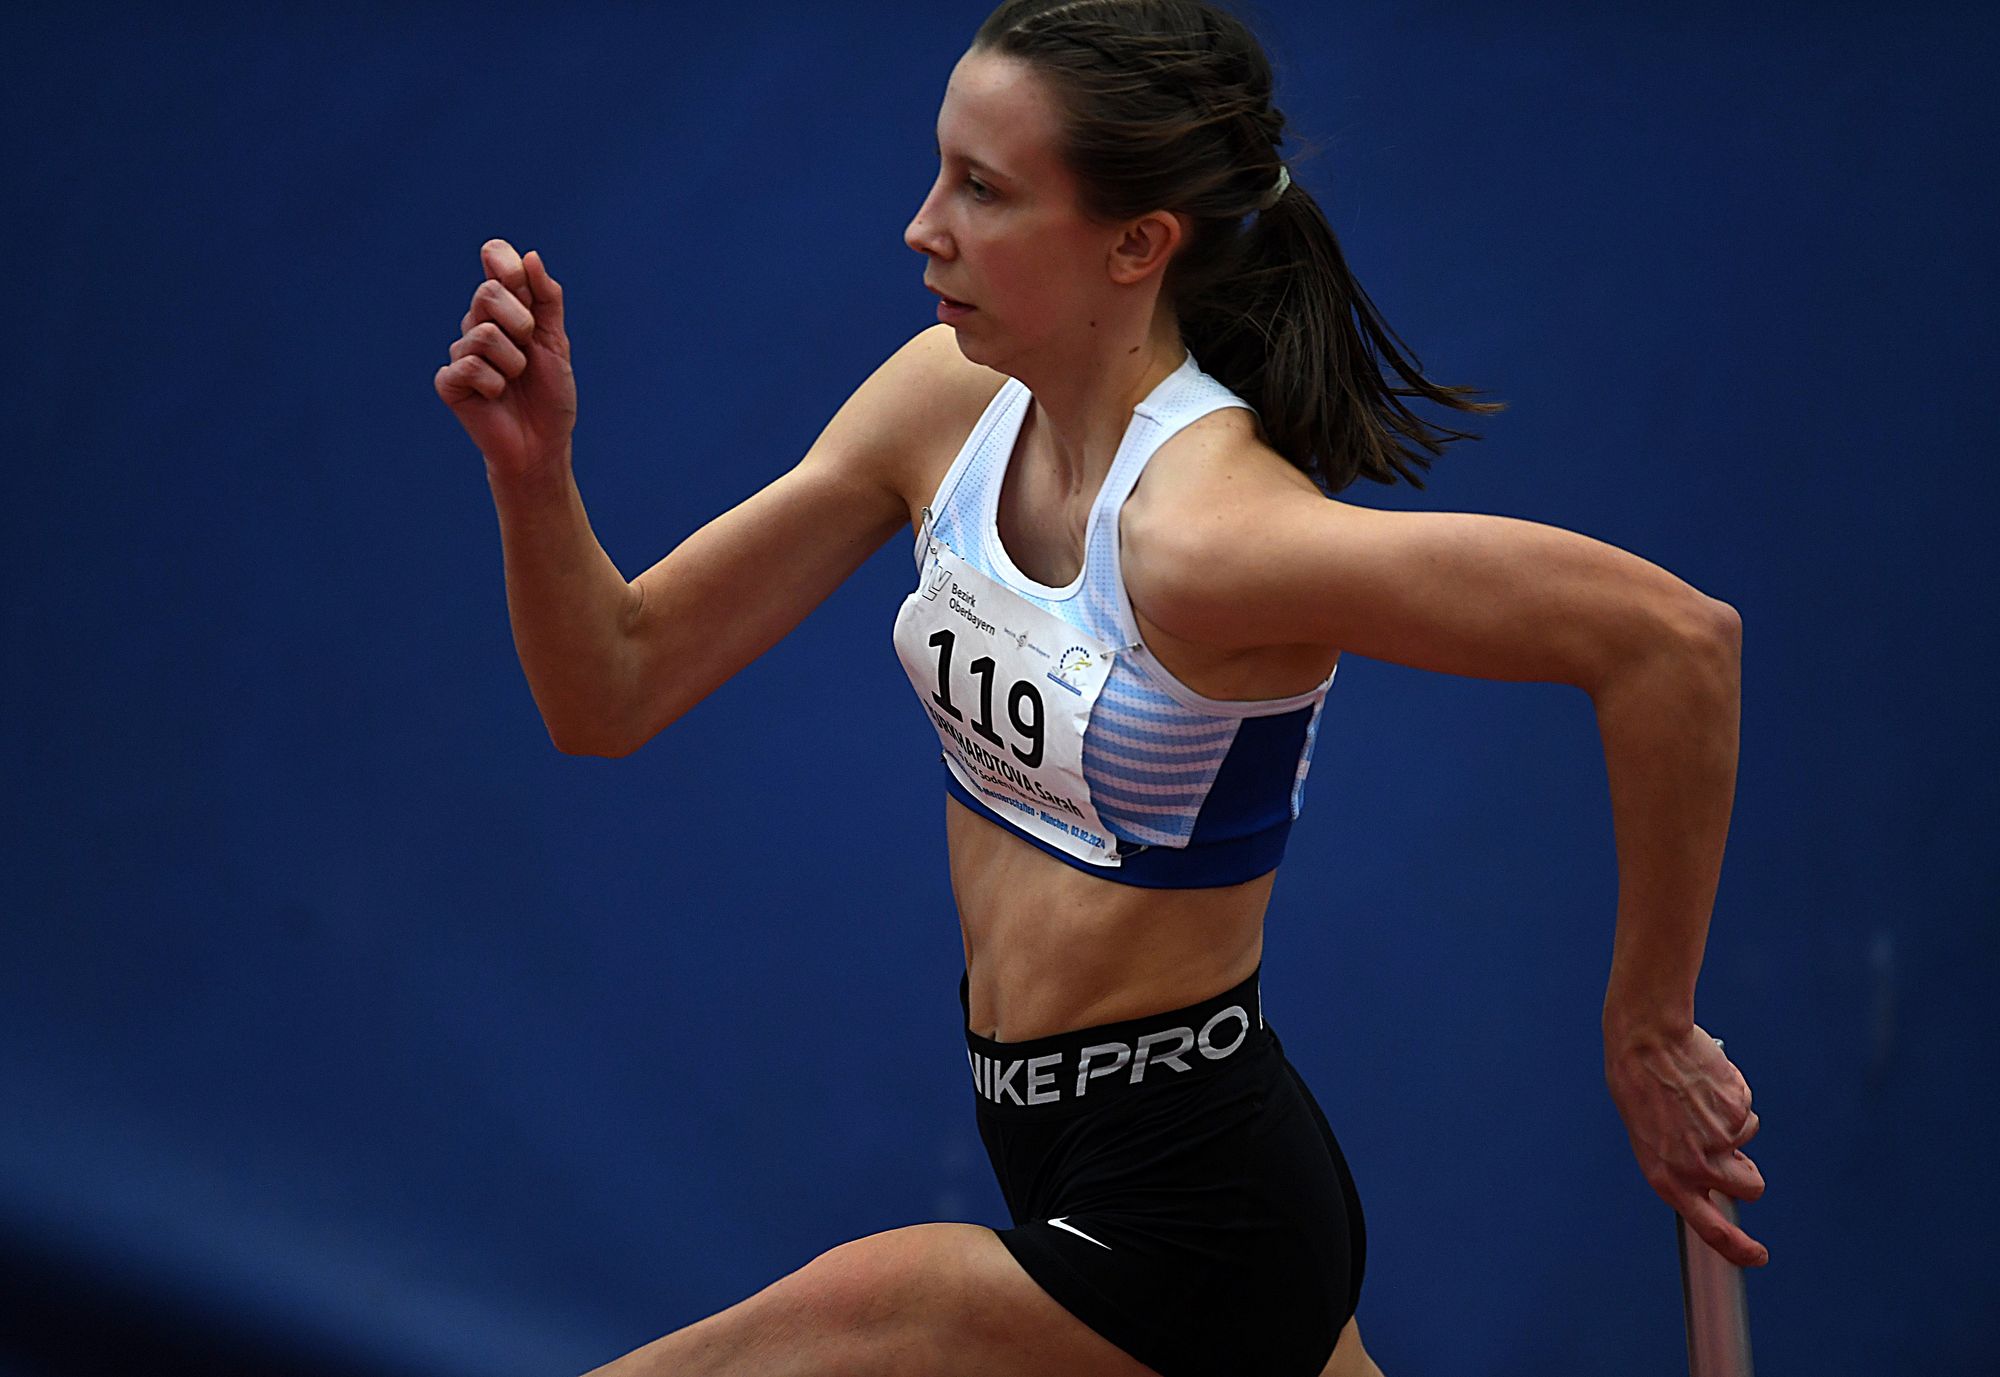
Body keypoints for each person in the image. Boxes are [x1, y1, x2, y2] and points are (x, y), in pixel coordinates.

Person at [434, 2, 1767, 1373]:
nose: (923, 227)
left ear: (1137, 244)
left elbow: (1672, 641)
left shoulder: (1211, 536)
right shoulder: (943, 408)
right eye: (940, 170)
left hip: (1204, 1210)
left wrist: (1649, 1025)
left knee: (868, 1312)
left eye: (984, 189)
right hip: (1063, 1148)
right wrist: (534, 478)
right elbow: (614, 686)